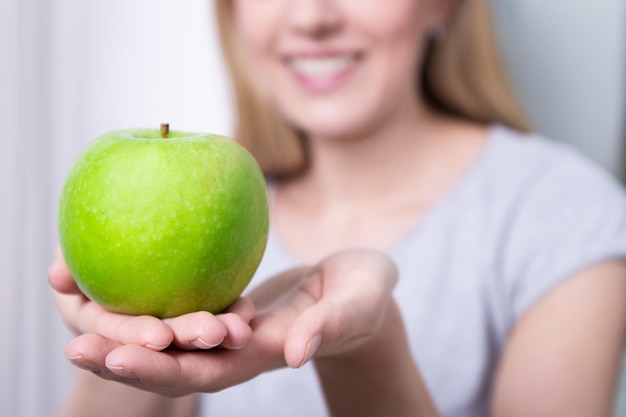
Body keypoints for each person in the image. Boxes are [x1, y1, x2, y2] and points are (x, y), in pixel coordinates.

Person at [49, 0, 626, 416]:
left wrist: (365, 350)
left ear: (443, 7)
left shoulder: (565, 215)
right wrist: (118, 343)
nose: (312, 16)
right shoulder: (218, 217)